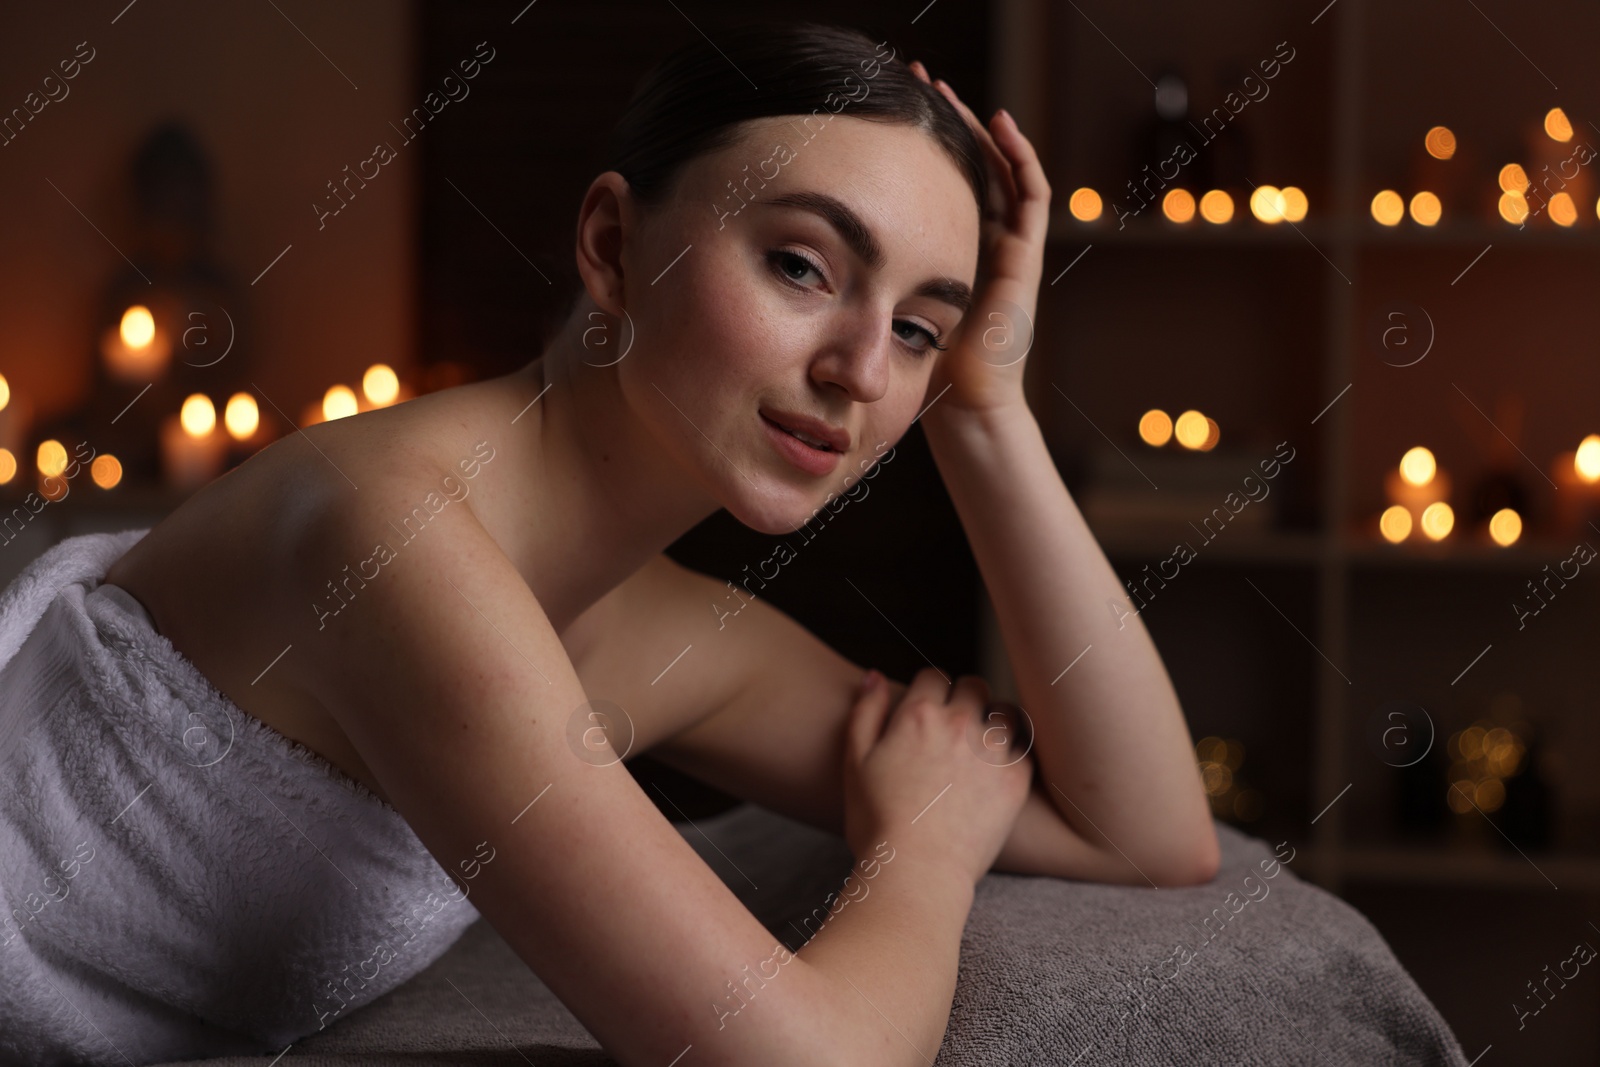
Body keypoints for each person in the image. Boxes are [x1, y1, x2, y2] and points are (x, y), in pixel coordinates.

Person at [87, 19, 1217, 1066]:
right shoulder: (388, 534)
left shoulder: (654, 626)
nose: (863, 374)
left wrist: (984, 409)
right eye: (801, 266)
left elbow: (1150, 835)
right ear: (613, 243)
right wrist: (919, 845)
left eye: (920, 328)